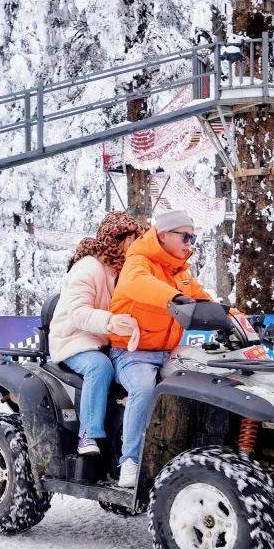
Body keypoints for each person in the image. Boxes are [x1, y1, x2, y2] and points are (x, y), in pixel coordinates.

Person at [108, 208, 212, 488]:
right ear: (164, 235)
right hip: (132, 353)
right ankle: (129, 462)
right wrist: (174, 298)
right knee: (143, 387)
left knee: (208, 379)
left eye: (193, 238)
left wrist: (233, 315)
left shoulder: (181, 272)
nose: (190, 244)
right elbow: (138, 284)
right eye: (185, 237)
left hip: (168, 353)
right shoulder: (138, 261)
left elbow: (202, 299)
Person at [49, 211, 144, 456]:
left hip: (105, 341)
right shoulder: (88, 268)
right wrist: (112, 322)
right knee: (99, 367)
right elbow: (78, 313)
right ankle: (88, 434)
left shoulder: (122, 271)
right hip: (74, 341)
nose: (138, 245)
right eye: (134, 240)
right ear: (118, 238)